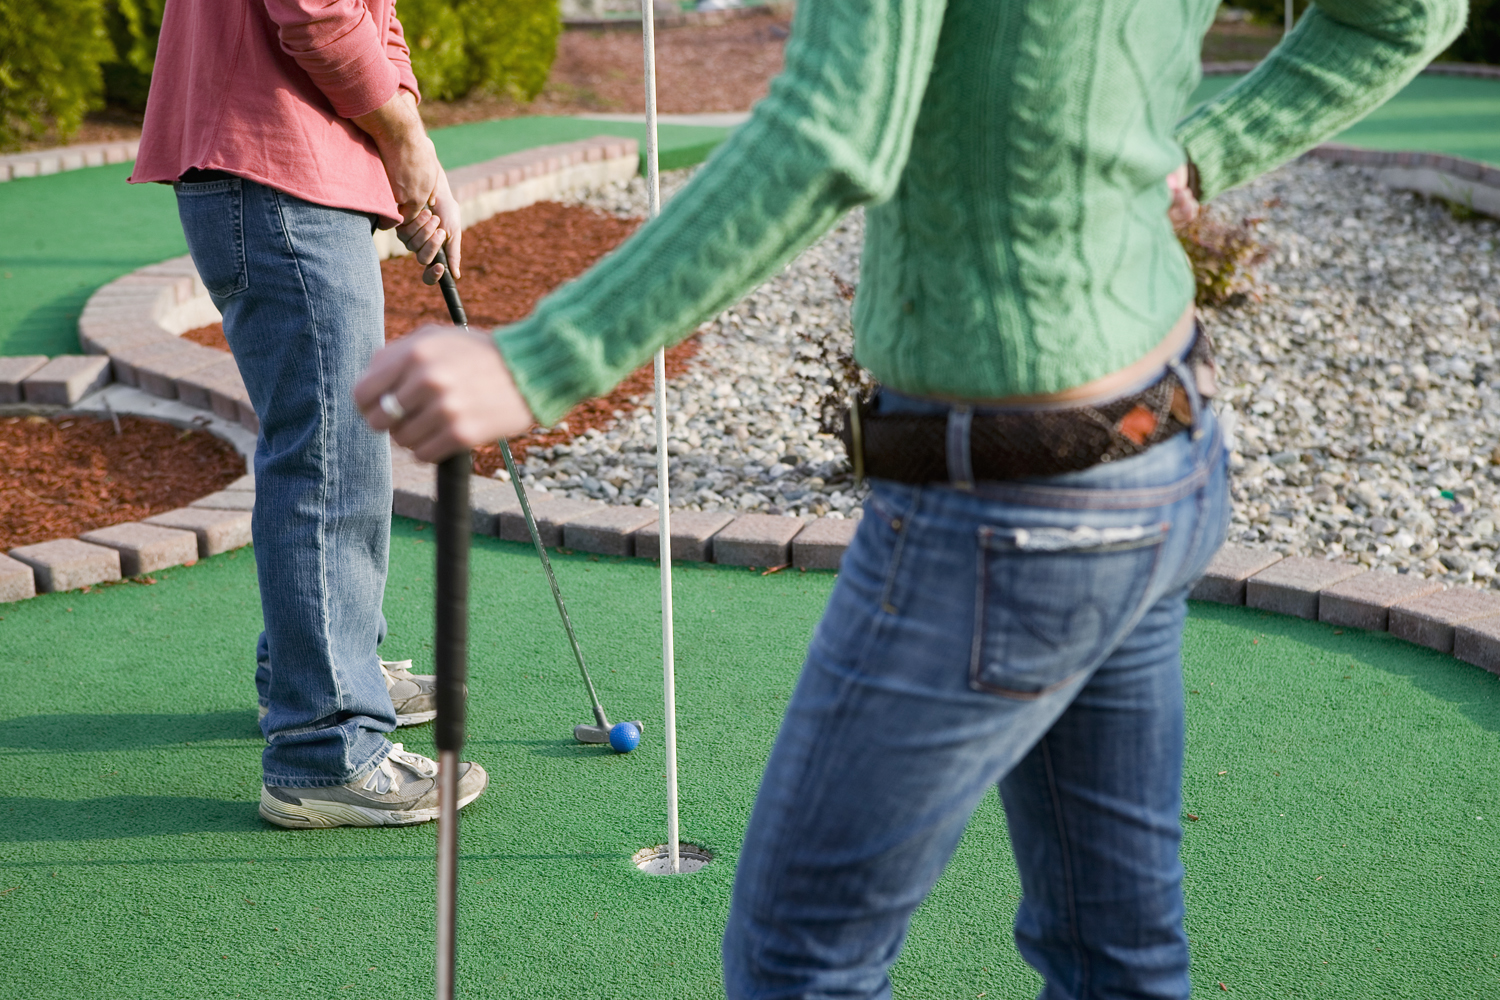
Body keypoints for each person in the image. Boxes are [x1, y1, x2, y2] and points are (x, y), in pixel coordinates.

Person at [355, 0, 1463, 992]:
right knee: (1117, 956)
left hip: (1012, 508)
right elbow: (1407, 12)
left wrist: (537, 361)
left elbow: (835, 131)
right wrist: (1201, 150)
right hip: (1162, 442)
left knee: (800, 961)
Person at [130, 0, 489, 829]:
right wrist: (399, 140)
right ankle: (324, 745)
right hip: (273, 170)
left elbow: (372, 14)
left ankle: (325, 668)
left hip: (287, 167)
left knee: (327, 443)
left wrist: (411, 151)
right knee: (331, 458)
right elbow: (318, 11)